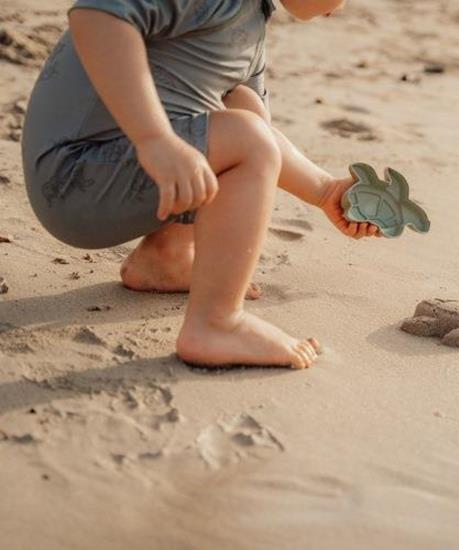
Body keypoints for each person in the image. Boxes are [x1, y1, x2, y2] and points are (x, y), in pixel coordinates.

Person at [22, 0, 379, 369]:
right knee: (246, 138)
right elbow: (96, 15)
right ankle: (216, 323)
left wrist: (324, 190)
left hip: (111, 173)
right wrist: (154, 138)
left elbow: (258, 133)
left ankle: (165, 258)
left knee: (241, 105)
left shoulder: (250, 21)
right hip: (73, 177)